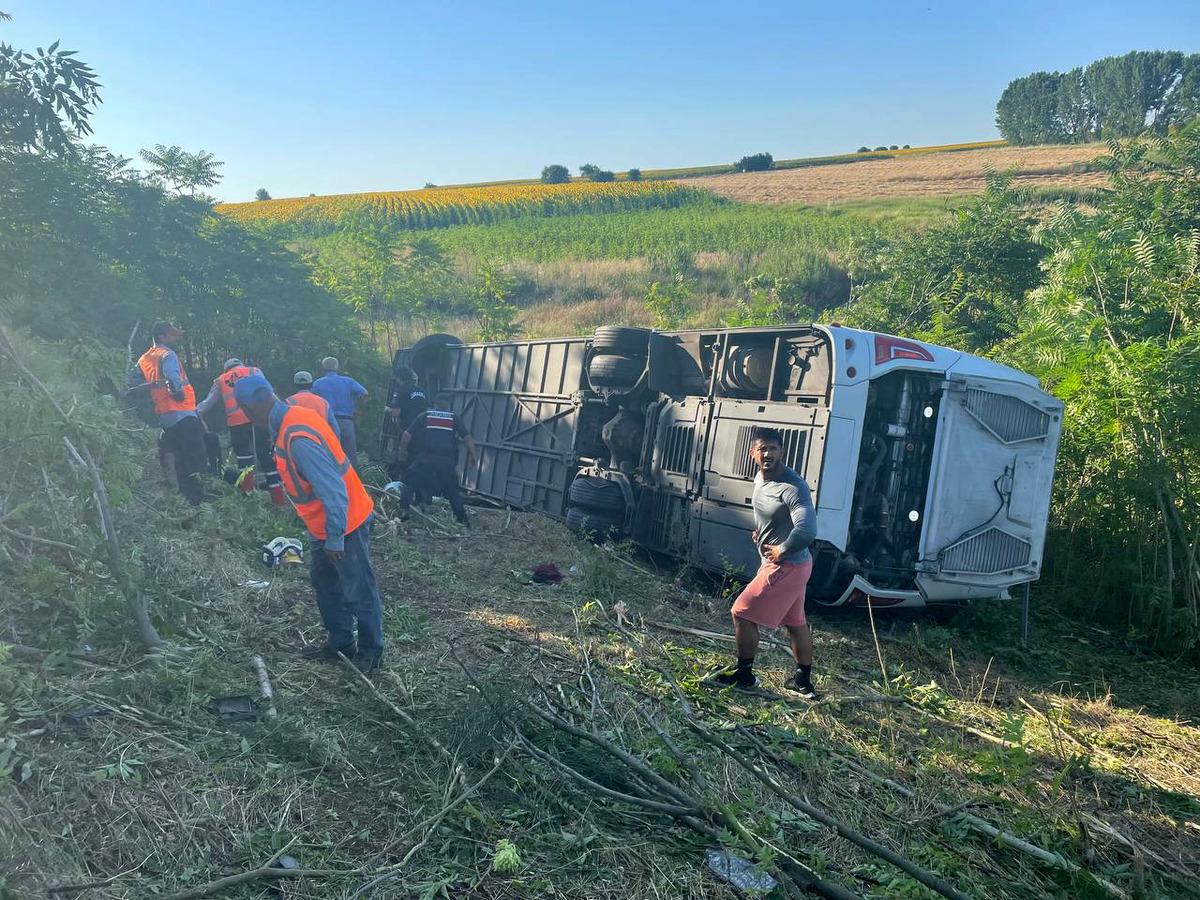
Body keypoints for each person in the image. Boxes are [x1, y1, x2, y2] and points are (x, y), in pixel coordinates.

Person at [234, 373, 385, 673]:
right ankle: (341, 642)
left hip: (344, 522)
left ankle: (371, 653)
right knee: (325, 582)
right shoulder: (294, 415)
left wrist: (334, 538)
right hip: (326, 524)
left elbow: (333, 491)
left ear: (252, 409)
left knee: (358, 588)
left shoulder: (297, 436)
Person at [710, 427, 820, 699]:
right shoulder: (760, 478)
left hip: (787, 564)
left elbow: (806, 531)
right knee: (795, 622)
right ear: (753, 453)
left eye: (773, 448)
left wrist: (781, 548)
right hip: (794, 565)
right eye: (762, 449)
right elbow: (771, 513)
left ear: (782, 452)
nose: (768, 453)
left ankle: (744, 676)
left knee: (742, 613)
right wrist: (763, 533)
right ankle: (803, 683)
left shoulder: (793, 486)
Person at [134, 321, 207, 505]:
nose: (175, 338)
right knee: (195, 458)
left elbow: (133, 382)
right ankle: (200, 500)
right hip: (183, 413)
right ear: (161, 337)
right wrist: (179, 393)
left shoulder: (144, 359)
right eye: (172, 335)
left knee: (180, 460)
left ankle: (186, 500)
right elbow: (173, 377)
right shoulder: (168, 354)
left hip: (165, 416)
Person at [196, 358, 285, 505]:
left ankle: (248, 495)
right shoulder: (254, 371)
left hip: (237, 424)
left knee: (244, 460)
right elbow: (268, 392)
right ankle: (278, 497)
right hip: (259, 418)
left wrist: (193, 414)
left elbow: (208, 403)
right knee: (266, 456)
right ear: (240, 365)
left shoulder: (221, 379)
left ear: (226, 369)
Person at [396, 392, 477, 527]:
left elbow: (406, 435)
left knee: (409, 481)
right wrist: (473, 455)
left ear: (434, 404)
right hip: (446, 461)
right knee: (452, 491)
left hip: (425, 458)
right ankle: (463, 521)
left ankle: (404, 511)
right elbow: (467, 438)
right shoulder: (454, 418)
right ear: (448, 404)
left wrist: (401, 452)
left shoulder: (425, 415)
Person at [311, 357, 367, 465]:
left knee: (329, 459)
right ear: (337, 367)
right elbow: (364, 394)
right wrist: (358, 411)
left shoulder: (318, 384)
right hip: (346, 423)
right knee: (350, 460)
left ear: (323, 368)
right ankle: (350, 481)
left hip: (326, 424)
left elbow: (312, 400)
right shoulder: (348, 381)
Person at [383, 365, 427, 480]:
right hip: (423, 431)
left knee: (401, 457)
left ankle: (400, 483)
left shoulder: (402, 390)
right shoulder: (422, 391)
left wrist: (387, 409)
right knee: (416, 458)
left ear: (399, 378)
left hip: (406, 430)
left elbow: (396, 413)